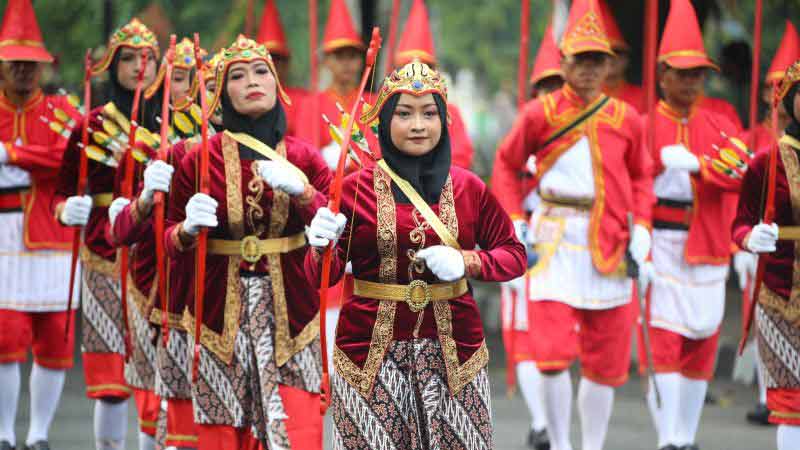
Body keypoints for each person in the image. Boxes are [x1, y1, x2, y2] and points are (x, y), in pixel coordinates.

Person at [304, 60, 525, 449]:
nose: (418, 125)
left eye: (429, 113)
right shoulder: (355, 189)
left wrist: (467, 261)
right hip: (369, 350)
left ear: (445, 121)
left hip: (455, 349)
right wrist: (321, 244)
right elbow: (321, 275)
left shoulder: (468, 188)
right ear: (385, 121)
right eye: (404, 114)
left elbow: (513, 255)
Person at [492, 1, 654, 449]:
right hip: (553, 236)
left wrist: (642, 230)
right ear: (563, 62)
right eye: (579, 60)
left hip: (610, 238)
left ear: (609, 64)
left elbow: (642, 175)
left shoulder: (628, 120)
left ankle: (593, 444)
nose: (587, 69)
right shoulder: (539, 113)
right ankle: (561, 442)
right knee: (552, 354)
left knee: (606, 358)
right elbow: (506, 166)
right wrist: (515, 220)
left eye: (596, 60)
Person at [165, 35, 330, 449]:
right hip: (220, 312)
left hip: (291, 311)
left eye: (261, 72)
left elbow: (337, 229)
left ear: (277, 86)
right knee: (223, 433)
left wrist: (306, 194)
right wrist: (185, 229)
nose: (252, 81)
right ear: (221, 93)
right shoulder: (197, 159)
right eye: (237, 76)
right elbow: (167, 241)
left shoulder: (304, 158)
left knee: (296, 431)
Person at [639, 2, 744, 449]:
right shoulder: (643, 126)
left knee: (701, 338)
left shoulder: (721, 124)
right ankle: (667, 438)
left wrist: (699, 165)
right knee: (664, 339)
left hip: (707, 243)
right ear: (662, 74)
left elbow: (741, 169)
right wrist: (637, 243)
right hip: (660, 241)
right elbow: (629, 184)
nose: (690, 81)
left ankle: (687, 436)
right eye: (681, 73)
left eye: (698, 74)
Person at [55, 18, 159, 450]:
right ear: (112, 65)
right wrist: (67, 211)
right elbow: (61, 192)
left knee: (157, 371)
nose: (140, 66)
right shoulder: (92, 124)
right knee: (111, 377)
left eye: (148, 58)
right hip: (103, 253)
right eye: (129, 58)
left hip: (158, 256)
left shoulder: (178, 121)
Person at [107, 36, 203, 450]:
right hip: (152, 271)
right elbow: (121, 226)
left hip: (203, 274)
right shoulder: (136, 144)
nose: (181, 89)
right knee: (155, 394)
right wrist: (145, 198)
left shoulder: (216, 139)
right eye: (174, 78)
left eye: (188, 79)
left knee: (196, 397)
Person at [0, 1, 80, 449]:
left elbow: (68, 158)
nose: (24, 72)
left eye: (32, 64)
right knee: (6, 337)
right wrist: (35, 167)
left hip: (53, 235)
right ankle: (5, 433)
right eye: (16, 64)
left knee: (54, 340)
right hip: (4, 239)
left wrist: (13, 156)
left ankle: (39, 436)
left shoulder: (59, 111)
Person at [497, 21, 564, 450]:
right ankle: (540, 422)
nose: (552, 94)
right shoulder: (524, 131)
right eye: (545, 86)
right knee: (520, 332)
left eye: (558, 85)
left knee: (553, 341)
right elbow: (502, 178)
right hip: (524, 238)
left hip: (566, 244)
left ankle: (554, 423)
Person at [731, 57, 800, 450]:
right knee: (792, 401)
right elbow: (739, 223)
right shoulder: (765, 162)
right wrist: (750, 236)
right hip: (781, 292)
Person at [392, 0, 475, 170]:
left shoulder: (451, 113)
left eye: (423, 70)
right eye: (408, 70)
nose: (415, 78)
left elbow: (461, 159)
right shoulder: (384, 111)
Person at [256, 0, 306, 137]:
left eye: (278, 59)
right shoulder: (250, 99)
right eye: (268, 59)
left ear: (287, 63)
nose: (273, 65)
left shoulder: (303, 100)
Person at [598, 0, 643, 112]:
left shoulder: (643, 97)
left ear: (626, 59)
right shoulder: (586, 97)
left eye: (617, 52)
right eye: (605, 53)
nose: (611, 58)